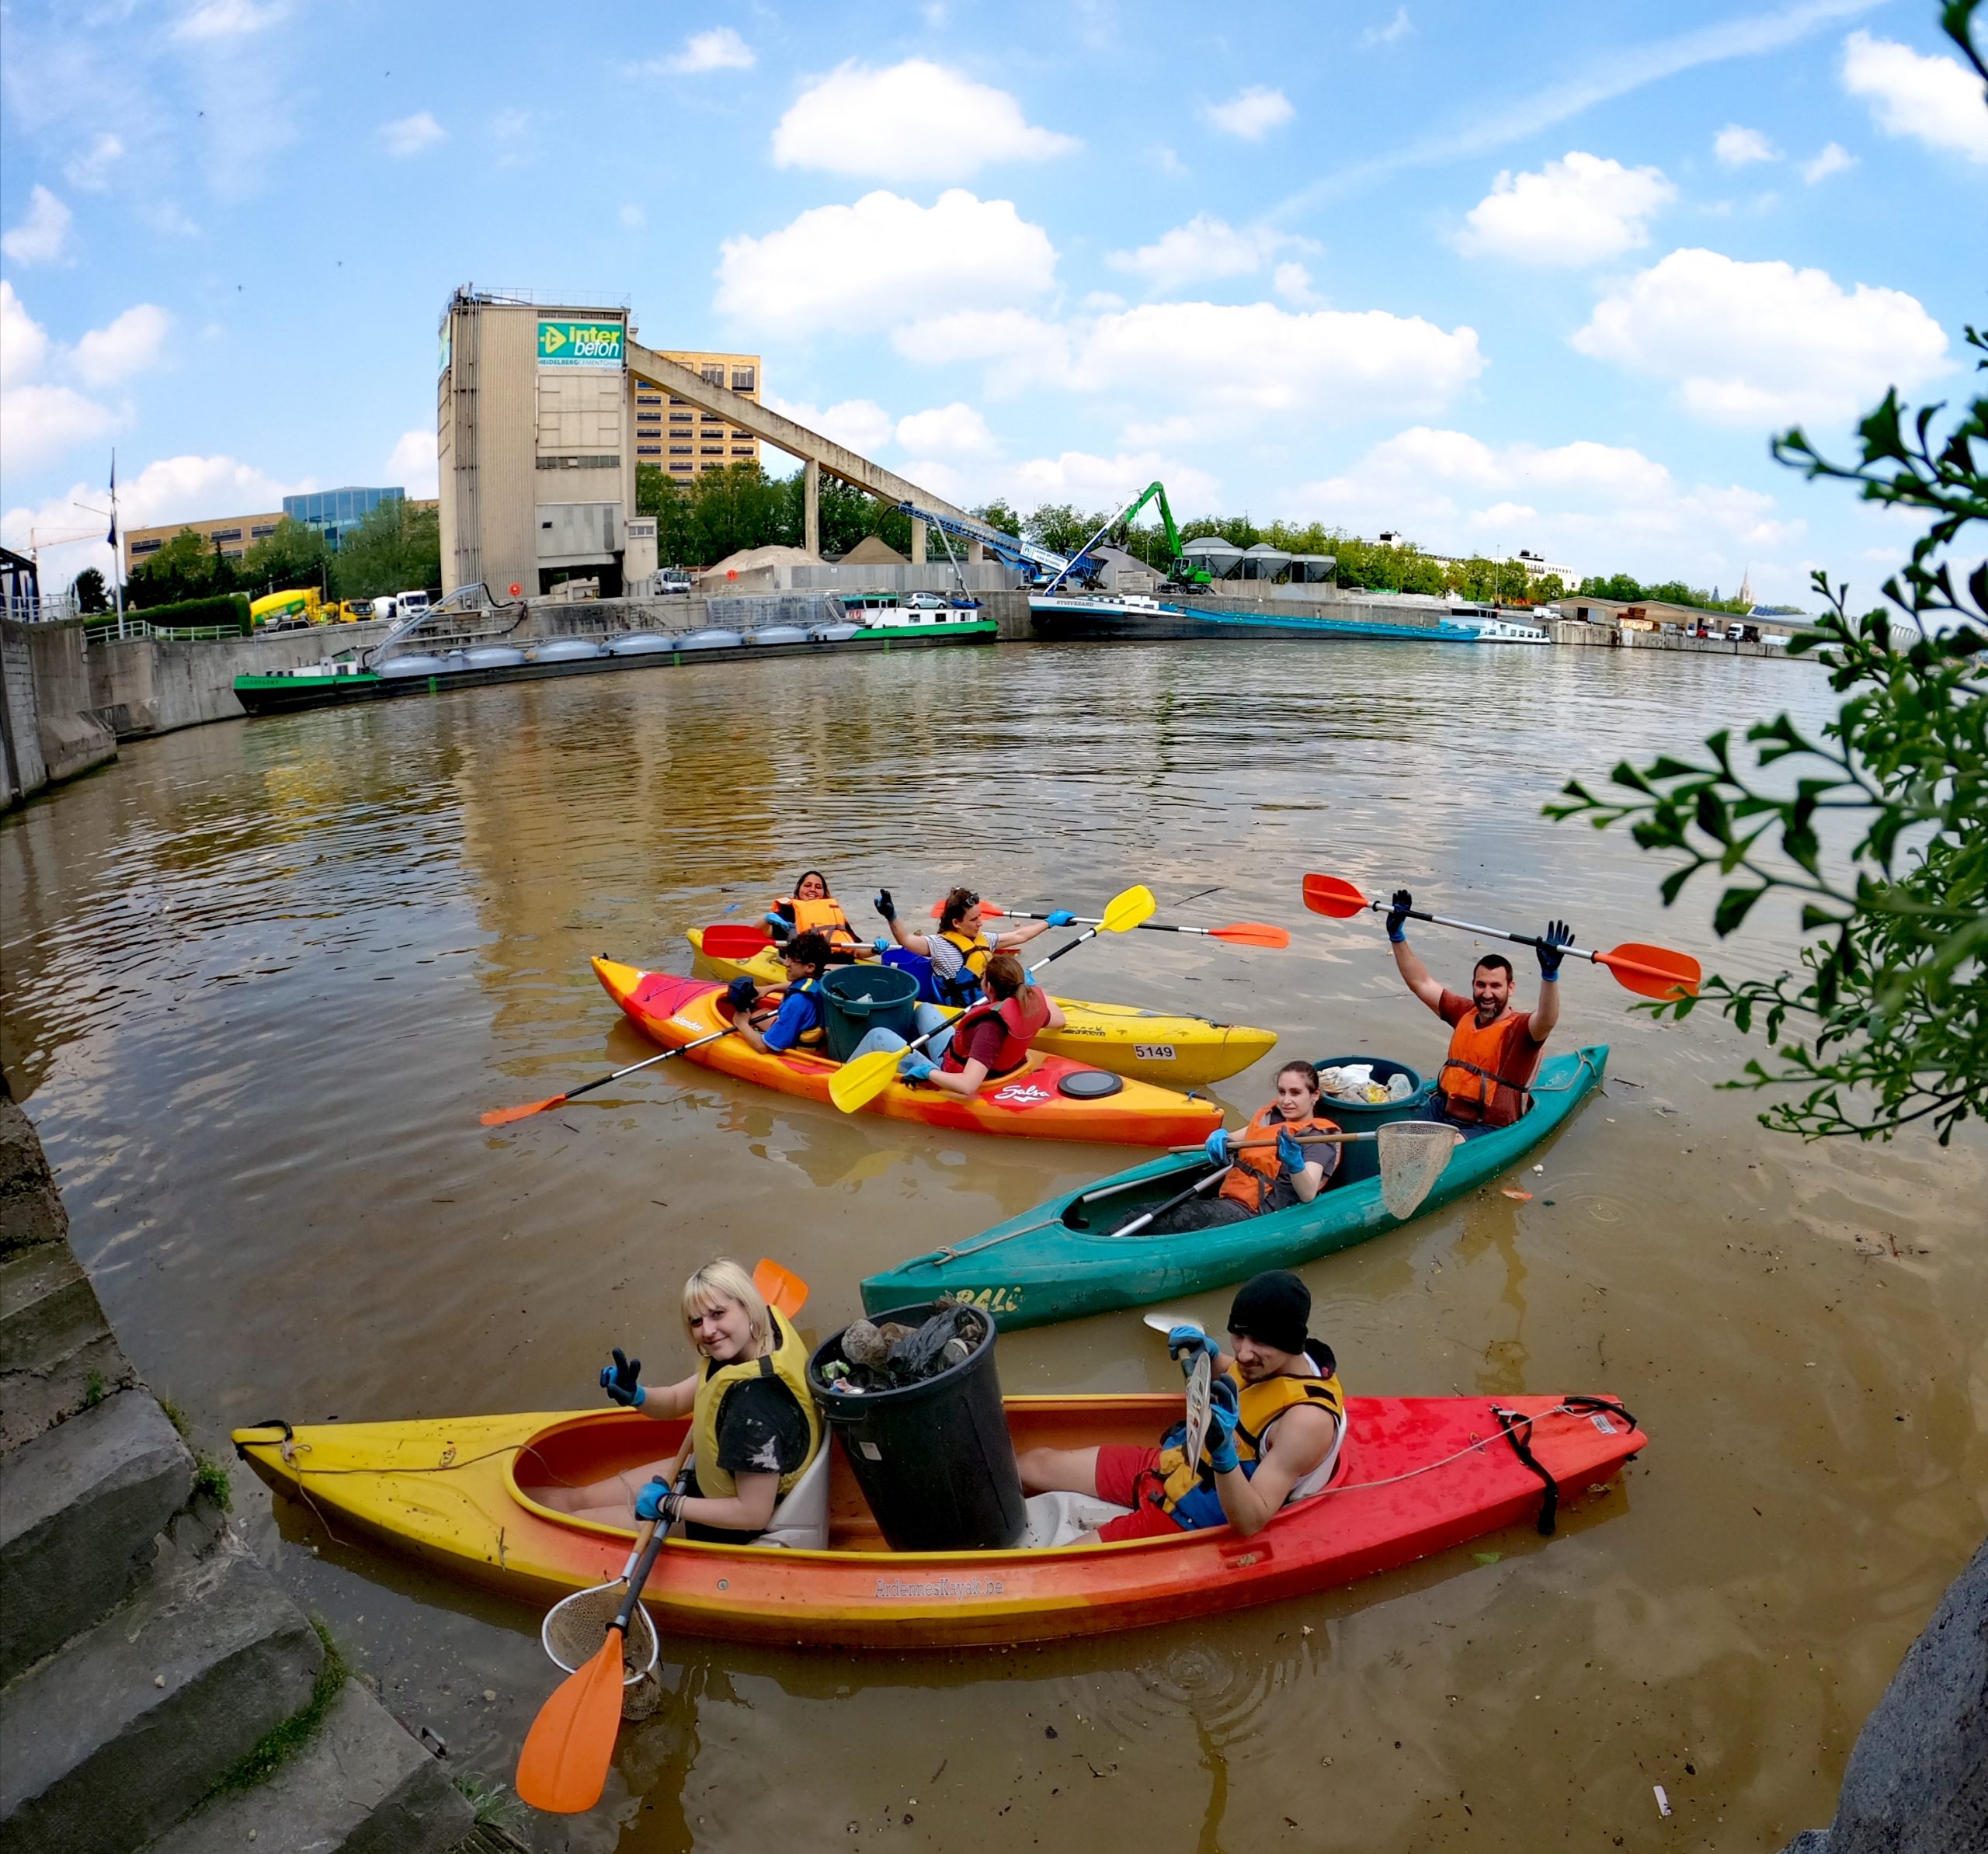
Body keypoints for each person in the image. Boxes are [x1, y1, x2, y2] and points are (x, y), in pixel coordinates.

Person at [1016, 1270, 1344, 1543]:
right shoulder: (1271, 1364)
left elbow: (1252, 1520)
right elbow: (1247, 1379)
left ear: (1291, 1342)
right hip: (1169, 1465)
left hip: (1192, 1516)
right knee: (1033, 1464)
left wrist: (1223, 1452)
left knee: (1064, 1561)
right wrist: (1210, 1356)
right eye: (1238, 1337)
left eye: (1259, 1342)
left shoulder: (1306, 1423)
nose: (1244, 1353)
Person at [540, 1259, 822, 1545]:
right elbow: (675, 1401)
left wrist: (669, 1505)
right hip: (711, 1477)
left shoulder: (753, 1410)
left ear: (749, 1306)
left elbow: (752, 1514)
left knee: (570, 1527)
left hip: (724, 1523)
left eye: (718, 1314)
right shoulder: (764, 1336)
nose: (707, 1331)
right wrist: (637, 1395)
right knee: (577, 1499)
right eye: (696, 1321)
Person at [1386, 889, 1571, 1135]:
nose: (1487, 993)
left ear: (1511, 988)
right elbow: (1421, 983)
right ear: (1473, 984)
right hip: (1442, 1111)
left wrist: (1549, 975)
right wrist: (1397, 936)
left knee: (1439, 1151)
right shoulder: (1463, 1011)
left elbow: (1547, 1020)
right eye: (1481, 984)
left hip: (1486, 1127)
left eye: (1496, 986)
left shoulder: (1521, 1029)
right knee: (1393, 1130)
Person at [1148, 1061, 1340, 1233]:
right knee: (1145, 1214)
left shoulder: (1316, 1139)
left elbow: (1307, 1194)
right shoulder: (1272, 1117)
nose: (1286, 1100)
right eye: (1282, 1092)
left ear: (1314, 1095)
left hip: (1255, 1211)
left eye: (1295, 1093)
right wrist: (1220, 1136)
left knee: (1151, 1220)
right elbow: (1237, 1137)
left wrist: (1295, 1163)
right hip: (1231, 1196)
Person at [844, 950, 1067, 1090]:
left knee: (877, 1036)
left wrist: (928, 1073)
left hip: (953, 1075)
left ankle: (837, 1074)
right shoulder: (1026, 1005)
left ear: (988, 987)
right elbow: (1059, 1018)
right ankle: (908, 1053)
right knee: (925, 1010)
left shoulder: (991, 1026)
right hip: (962, 1057)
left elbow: (968, 1085)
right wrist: (1033, 989)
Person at [872, 884, 1075, 1009]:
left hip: (996, 1001)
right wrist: (892, 917)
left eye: (980, 917)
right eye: (974, 919)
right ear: (956, 923)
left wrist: (1050, 922)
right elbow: (906, 940)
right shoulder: (939, 945)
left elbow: (1019, 935)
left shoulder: (984, 938)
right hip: (969, 1009)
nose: (980, 923)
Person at [725, 930, 830, 1055]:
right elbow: (802, 988)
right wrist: (769, 989)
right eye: (787, 957)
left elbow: (763, 1048)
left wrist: (741, 1024)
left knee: (752, 1021)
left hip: (801, 1051)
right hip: (813, 1030)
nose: (786, 964)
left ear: (810, 967)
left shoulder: (797, 1002)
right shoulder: (822, 980)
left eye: (792, 960)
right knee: (758, 1014)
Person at [764, 870, 863, 955]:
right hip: (806, 964)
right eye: (807, 885)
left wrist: (874, 949)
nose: (812, 890)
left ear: (824, 892)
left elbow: (857, 950)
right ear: (798, 889)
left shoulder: (833, 913)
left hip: (841, 961)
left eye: (818, 887)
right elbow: (762, 933)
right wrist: (765, 919)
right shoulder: (788, 911)